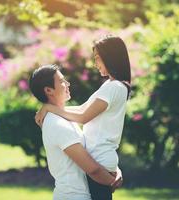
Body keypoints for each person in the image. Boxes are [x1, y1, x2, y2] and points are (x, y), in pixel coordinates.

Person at [35, 35, 131, 200]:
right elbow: (82, 109)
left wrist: (50, 108)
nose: (95, 64)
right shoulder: (109, 85)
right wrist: (52, 109)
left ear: (110, 57)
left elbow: (83, 116)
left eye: (98, 58)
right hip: (99, 159)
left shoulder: (115, 87)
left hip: (100, 159)